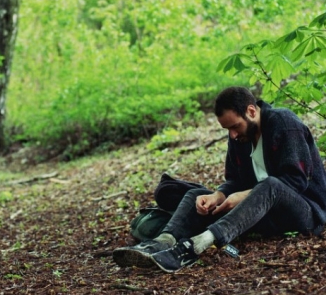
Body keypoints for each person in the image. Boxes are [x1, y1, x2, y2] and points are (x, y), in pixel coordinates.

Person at [113, 86, 326, 273]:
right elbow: (234, 180)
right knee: (196, 194)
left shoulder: (284, 123)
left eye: (235, 126)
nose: (232, 134)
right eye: (228, 129)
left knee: (271, 185)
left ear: (251, 111)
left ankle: (198, 245)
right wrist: (218, 195)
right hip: (261, 214)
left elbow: (296, 181)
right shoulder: (239, 137)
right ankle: (161, 242)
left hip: (306, 213)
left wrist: (242, 196)